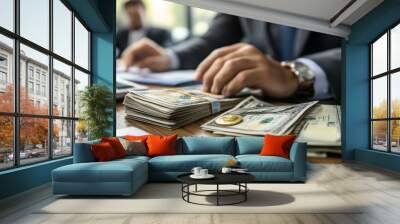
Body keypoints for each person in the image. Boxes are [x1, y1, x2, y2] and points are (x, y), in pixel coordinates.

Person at [119, 14, 342, 101]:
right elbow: (217, 37)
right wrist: (171, 57)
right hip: (265, 102)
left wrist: (296, 73)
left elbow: (370, 40)